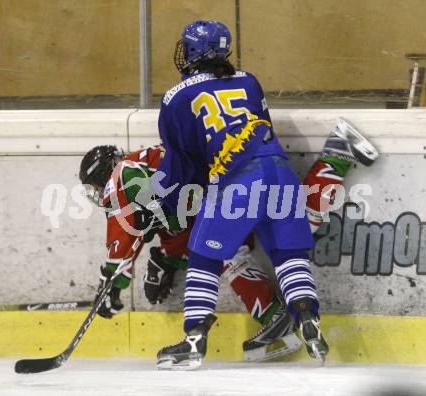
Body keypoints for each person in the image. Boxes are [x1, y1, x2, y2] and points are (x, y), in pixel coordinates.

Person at [154, 20, 378, 370]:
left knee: (203, 256)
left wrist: (168, 201)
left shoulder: (175, 96)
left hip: (239, 182)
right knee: (290, 255)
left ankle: (194, 339)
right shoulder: (248, 79)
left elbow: (182, 161)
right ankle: (308, 319)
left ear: (193, 52)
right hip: (280, 174)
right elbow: (262, 129)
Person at [78, 145, 302, 363]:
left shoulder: (122, 173)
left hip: (218, 189)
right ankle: (274, 315)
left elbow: (124, 232)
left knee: (222, 250)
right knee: (228, 253)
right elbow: (176, 223)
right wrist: (168, 260)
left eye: (97, 188)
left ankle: (206, 333)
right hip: (229, 183)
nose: (99, 193)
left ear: (104, 172)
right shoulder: (143, 168)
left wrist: (111, 280)